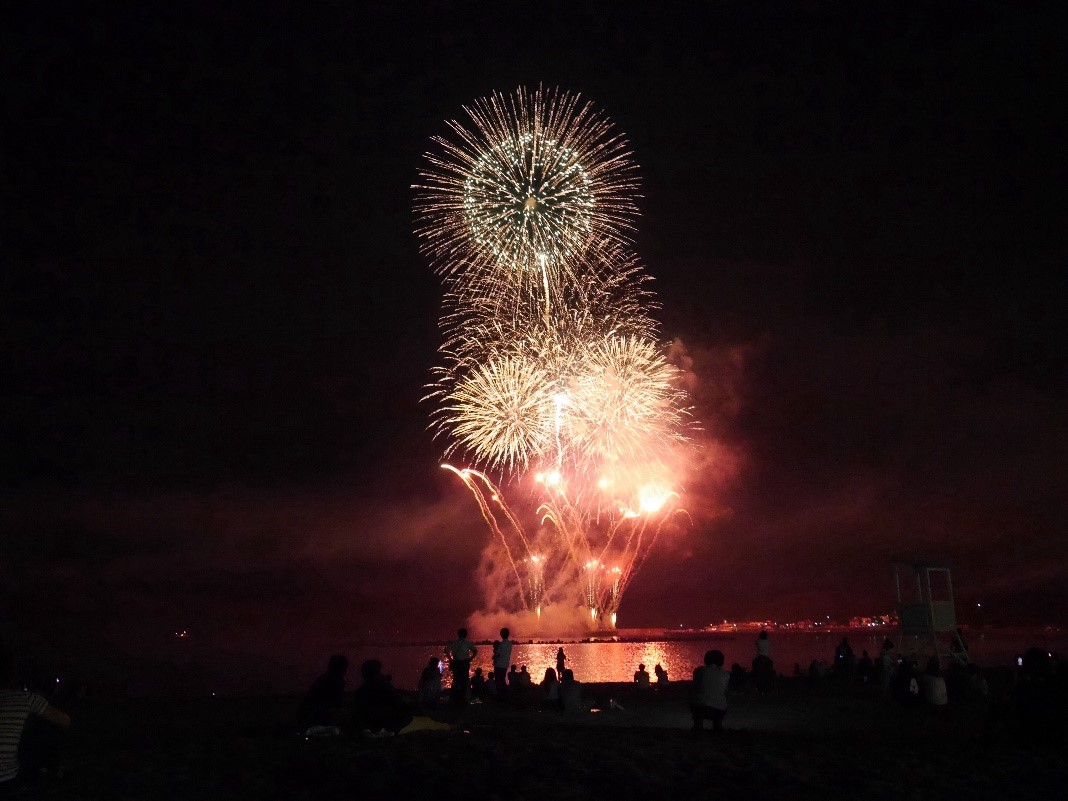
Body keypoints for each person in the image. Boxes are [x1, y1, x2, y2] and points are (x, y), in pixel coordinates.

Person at [1, 647, 71, 789]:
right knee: (45, 724)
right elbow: (65, 721)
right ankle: (50, 769)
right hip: (8, 779)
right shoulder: (25, 698)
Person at [298, 654, 349, 728]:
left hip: (310, 718)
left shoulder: (324, 680)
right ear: (343, 669)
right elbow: (334, 705)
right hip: (317, 719)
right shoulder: (335, 683)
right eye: (346, 668)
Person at [691, 649, 728, 732]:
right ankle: (717, 726)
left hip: (699, 707)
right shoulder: (725, 674)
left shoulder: (698, 671)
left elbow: (695, 687)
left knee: (697, 700)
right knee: (719, 703)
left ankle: (698, 726)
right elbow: (725, 691)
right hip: (718, 709)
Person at [445, 628, 477, 706]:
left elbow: (446, 651)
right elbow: (475, 651)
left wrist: (451, 659)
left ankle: (453, 699)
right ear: (466, 635)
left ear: (458, 634)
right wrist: (470, 659)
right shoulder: (467, 643)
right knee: (464, 682)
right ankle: (463, 699)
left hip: (456, 663)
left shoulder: (454, 643)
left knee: (455, 681)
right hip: (464, 663)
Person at [493, 628, 514, 699]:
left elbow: (497, 654)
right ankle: (505, 695)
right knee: (502, 680)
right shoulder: (510, 644)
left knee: (498, 681)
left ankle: (501, 696)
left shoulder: (501, 645)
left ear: (501, 635)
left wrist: (493, 657)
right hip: (505, 665)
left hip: (499, 665)